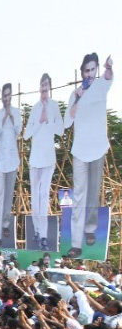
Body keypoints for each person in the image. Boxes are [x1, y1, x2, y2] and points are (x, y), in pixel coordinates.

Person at [64, 52, 114, 258]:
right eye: (87, 70)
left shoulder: (102, 85)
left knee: (93, 193)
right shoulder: (75, 93)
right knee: (79, 196)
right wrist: (78, 98)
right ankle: (76, 243)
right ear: (82, 71)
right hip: (80, 151)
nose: (90, 74)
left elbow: (110, 76)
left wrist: (109, 67)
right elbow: (67, 122)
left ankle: (90, 230)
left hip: (98, 148)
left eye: (94, 69)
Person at [22, 72, 63, 250]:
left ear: (50, 88)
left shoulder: (54, 106)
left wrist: (48, 121)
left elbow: (61, 130)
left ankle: (44, 234)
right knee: (35, 197)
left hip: (48, 158)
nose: (44, 90)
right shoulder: (35, 108)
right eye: (42, 86)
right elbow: (26, 135)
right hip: (35, 158)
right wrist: (39, 122)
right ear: (39, 88)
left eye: (47, 86)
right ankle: (37, 230)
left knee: (43, 195)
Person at [0, 82, 22, 247]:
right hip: (0, 161)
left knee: (9, 195)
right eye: (5, 95)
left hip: (13, 160)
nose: (7, 98)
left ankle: (6, 224)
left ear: (12, 96)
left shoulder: (16, 112)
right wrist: (2, 120)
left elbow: (19, 130)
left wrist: (12, 117)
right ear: (2, 97)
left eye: (9, 95)